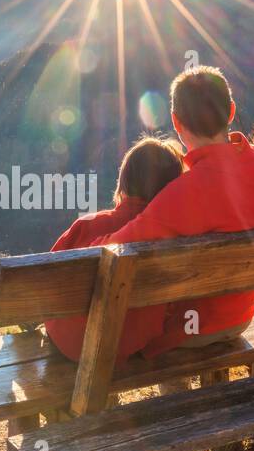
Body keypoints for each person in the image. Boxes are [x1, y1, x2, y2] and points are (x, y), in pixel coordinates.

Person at [88, 66, 254, 358]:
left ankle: (172, 395)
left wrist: (89, 236)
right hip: (241, 317)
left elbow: (113, 250)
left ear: (176, 122)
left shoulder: (183, 194)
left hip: (188, 329)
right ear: (231, 112)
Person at [44, 135, 184, 364]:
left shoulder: (89, 226)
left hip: (73, 345)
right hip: (133, 342)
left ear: (124, 180)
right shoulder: (175, 234)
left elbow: (47, 282)